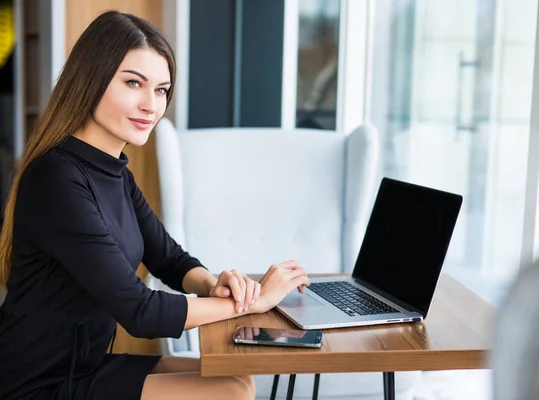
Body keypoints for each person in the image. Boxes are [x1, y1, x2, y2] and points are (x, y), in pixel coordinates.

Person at [0, 10, 310, 400]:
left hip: (85, 365)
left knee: (237, 381)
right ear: (90, 80)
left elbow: (170, 261)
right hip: (37, 384)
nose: (151, 105)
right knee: (230, 393)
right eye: (134, 83)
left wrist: (217, 285)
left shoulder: (115, 173)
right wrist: (256, 302)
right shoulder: (57, 180)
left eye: (161, 90)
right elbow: (140, 312)